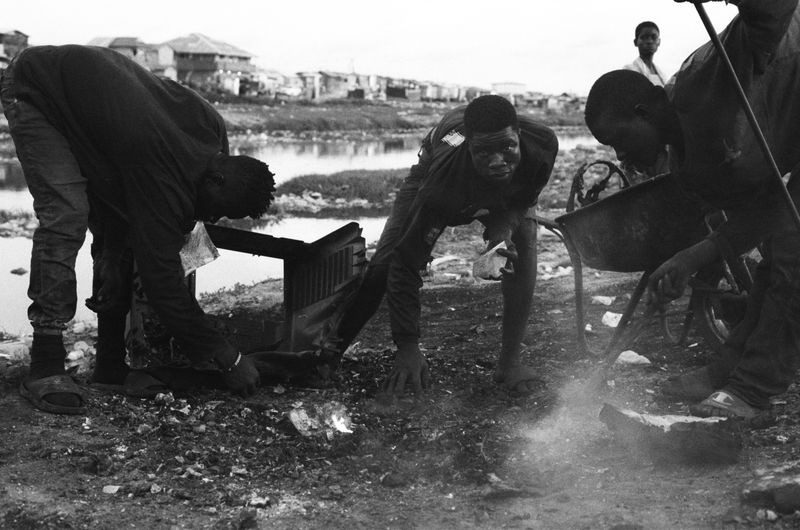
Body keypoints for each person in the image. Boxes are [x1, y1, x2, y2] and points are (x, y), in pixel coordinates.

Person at [0, 45, 275, 414]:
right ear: (218, 178)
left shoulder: (211, 130)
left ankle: (110, 366)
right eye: (216, 211)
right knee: (66, 214)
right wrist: (227, 358)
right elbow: (161, 281)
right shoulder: (159, 166)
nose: (209, 218)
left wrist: (126, 246)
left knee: (123, 227)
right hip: (39, 89)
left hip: (98, 111)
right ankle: (45, 364)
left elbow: (143, 224)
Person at [584, 0, 800, 422]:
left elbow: (773, 11)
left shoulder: (705, 79)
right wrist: (688, 260)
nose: (621, 153)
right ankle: (727, 370)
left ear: (644, 112)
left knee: (794, 254)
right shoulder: (687, 166)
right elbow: (766, 214)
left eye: (619, 138)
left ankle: (752, 391)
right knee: (778, 256)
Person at [329, 95, 558, 396]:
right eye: (484, 152)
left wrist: (503, 229)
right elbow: (406, 261)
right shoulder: (441, 187)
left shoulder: (542, 144)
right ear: (469, 148)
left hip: (493, 176)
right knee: (384, 266)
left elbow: (523, 200)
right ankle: (327, 356)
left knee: (524, 241)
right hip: (437, 166)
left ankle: (510, 363)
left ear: (519, 136)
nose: (497, 161)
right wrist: (408, 345)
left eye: (507, 148)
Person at [623, 21, 669, 87]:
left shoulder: (663, 76)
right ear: (636, 42)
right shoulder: (629, 71)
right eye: (644, 37)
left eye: (654, 37)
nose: (649, 41)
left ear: (659, 42)